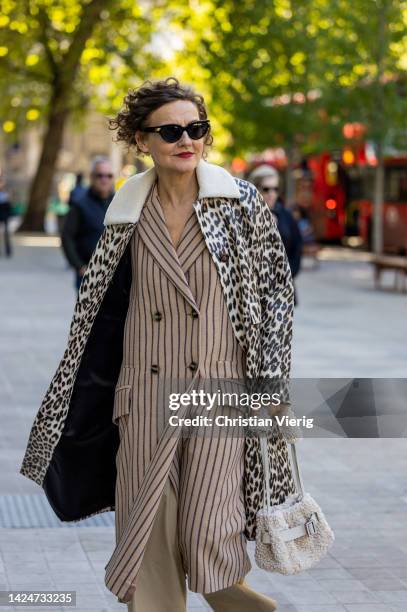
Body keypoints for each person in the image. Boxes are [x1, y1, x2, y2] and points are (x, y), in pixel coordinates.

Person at [19, 77, 297, 611]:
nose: (186, 140)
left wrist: (270, 384)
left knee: (208, 533)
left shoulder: (238, 204)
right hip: (143, 399)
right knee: (146, 538)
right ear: (142, 139)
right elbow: (96, 311)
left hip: (220, 398)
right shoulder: (126, 210)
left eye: (196, 128)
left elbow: (276, 297)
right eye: (170, 131)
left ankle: (245, 605)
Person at [248, 164, 303, 306]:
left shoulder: (286, 216)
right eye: (266, 189)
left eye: (275, 189)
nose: (271, 193)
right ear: (256, 188)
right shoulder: (245, 215)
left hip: (282, 291)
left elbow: (297, 247)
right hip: (253, 293)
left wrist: (287, 275)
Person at [61, 157, 115, 291]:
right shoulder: (80, 204)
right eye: (100, 175)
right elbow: (67, 237)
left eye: (108, 176)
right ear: (91, 177)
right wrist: (79, 266)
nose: (104, 179)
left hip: (115, 276)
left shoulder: (119, 203)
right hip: (88, 275)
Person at [0, 176, 12, 257]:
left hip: (4, 216)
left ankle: (8, 251)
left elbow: (9, 206)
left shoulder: (6, 193)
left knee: (6, 234)